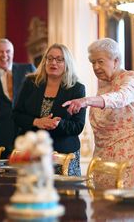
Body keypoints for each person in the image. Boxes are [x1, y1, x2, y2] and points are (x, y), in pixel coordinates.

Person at [62, 38, 134, 188]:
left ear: (116, 60)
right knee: (100, 202)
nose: (95, 67)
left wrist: (86, 101)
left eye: (100, 61)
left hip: (126, 155)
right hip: (101, 155)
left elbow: (121, 98)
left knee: (121, 204)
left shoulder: (132, 79)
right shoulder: (104, 85)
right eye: (93, 63)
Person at [13, 43, 85, 176]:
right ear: (44, 60)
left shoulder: (77, 89)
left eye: (59, 59)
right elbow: (16, 115)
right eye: (50, 58)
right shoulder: (30, 83)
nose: (53, 63)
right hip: (32, 152)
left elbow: (78, 126)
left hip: (64, 154)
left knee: (65, 196)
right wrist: (36, 121)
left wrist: (59, 124)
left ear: (67, 63)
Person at [0, 38, 35, 158]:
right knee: (3, 173)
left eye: (8, 51)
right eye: (0, 51)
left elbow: (39, 96)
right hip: (3, 134)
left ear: (12, 53)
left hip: (27, 130)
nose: (4, 55)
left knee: (29, 170)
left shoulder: (28, 69)